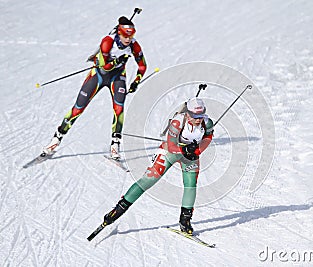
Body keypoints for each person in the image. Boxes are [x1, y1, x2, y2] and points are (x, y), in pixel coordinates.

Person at [102, 97, 214, 235]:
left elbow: (208, 137)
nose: (198, 119)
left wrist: (197, 151)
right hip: (170, 151)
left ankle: (185, 220)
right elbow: (171, 145)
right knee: (149, 179)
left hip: (190, 155)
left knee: (191, 185)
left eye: (201, 115)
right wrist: (184, 150)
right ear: (188, 113)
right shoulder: (178, 122)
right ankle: (118, 209)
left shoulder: (207, 123)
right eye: (195, 116)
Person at [42, 16, 147, 160]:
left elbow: (142, 65)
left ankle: (115, 145)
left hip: (117, 78)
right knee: (78, 108)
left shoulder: (134, 46)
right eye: (125, 36)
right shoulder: (108, 41)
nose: (128, 40)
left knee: (119, 109)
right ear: (119, 33)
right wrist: (118, 60)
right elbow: (105, 66)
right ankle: (56, 138)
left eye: (131, 36)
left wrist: (136, 81)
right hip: (98, 75)